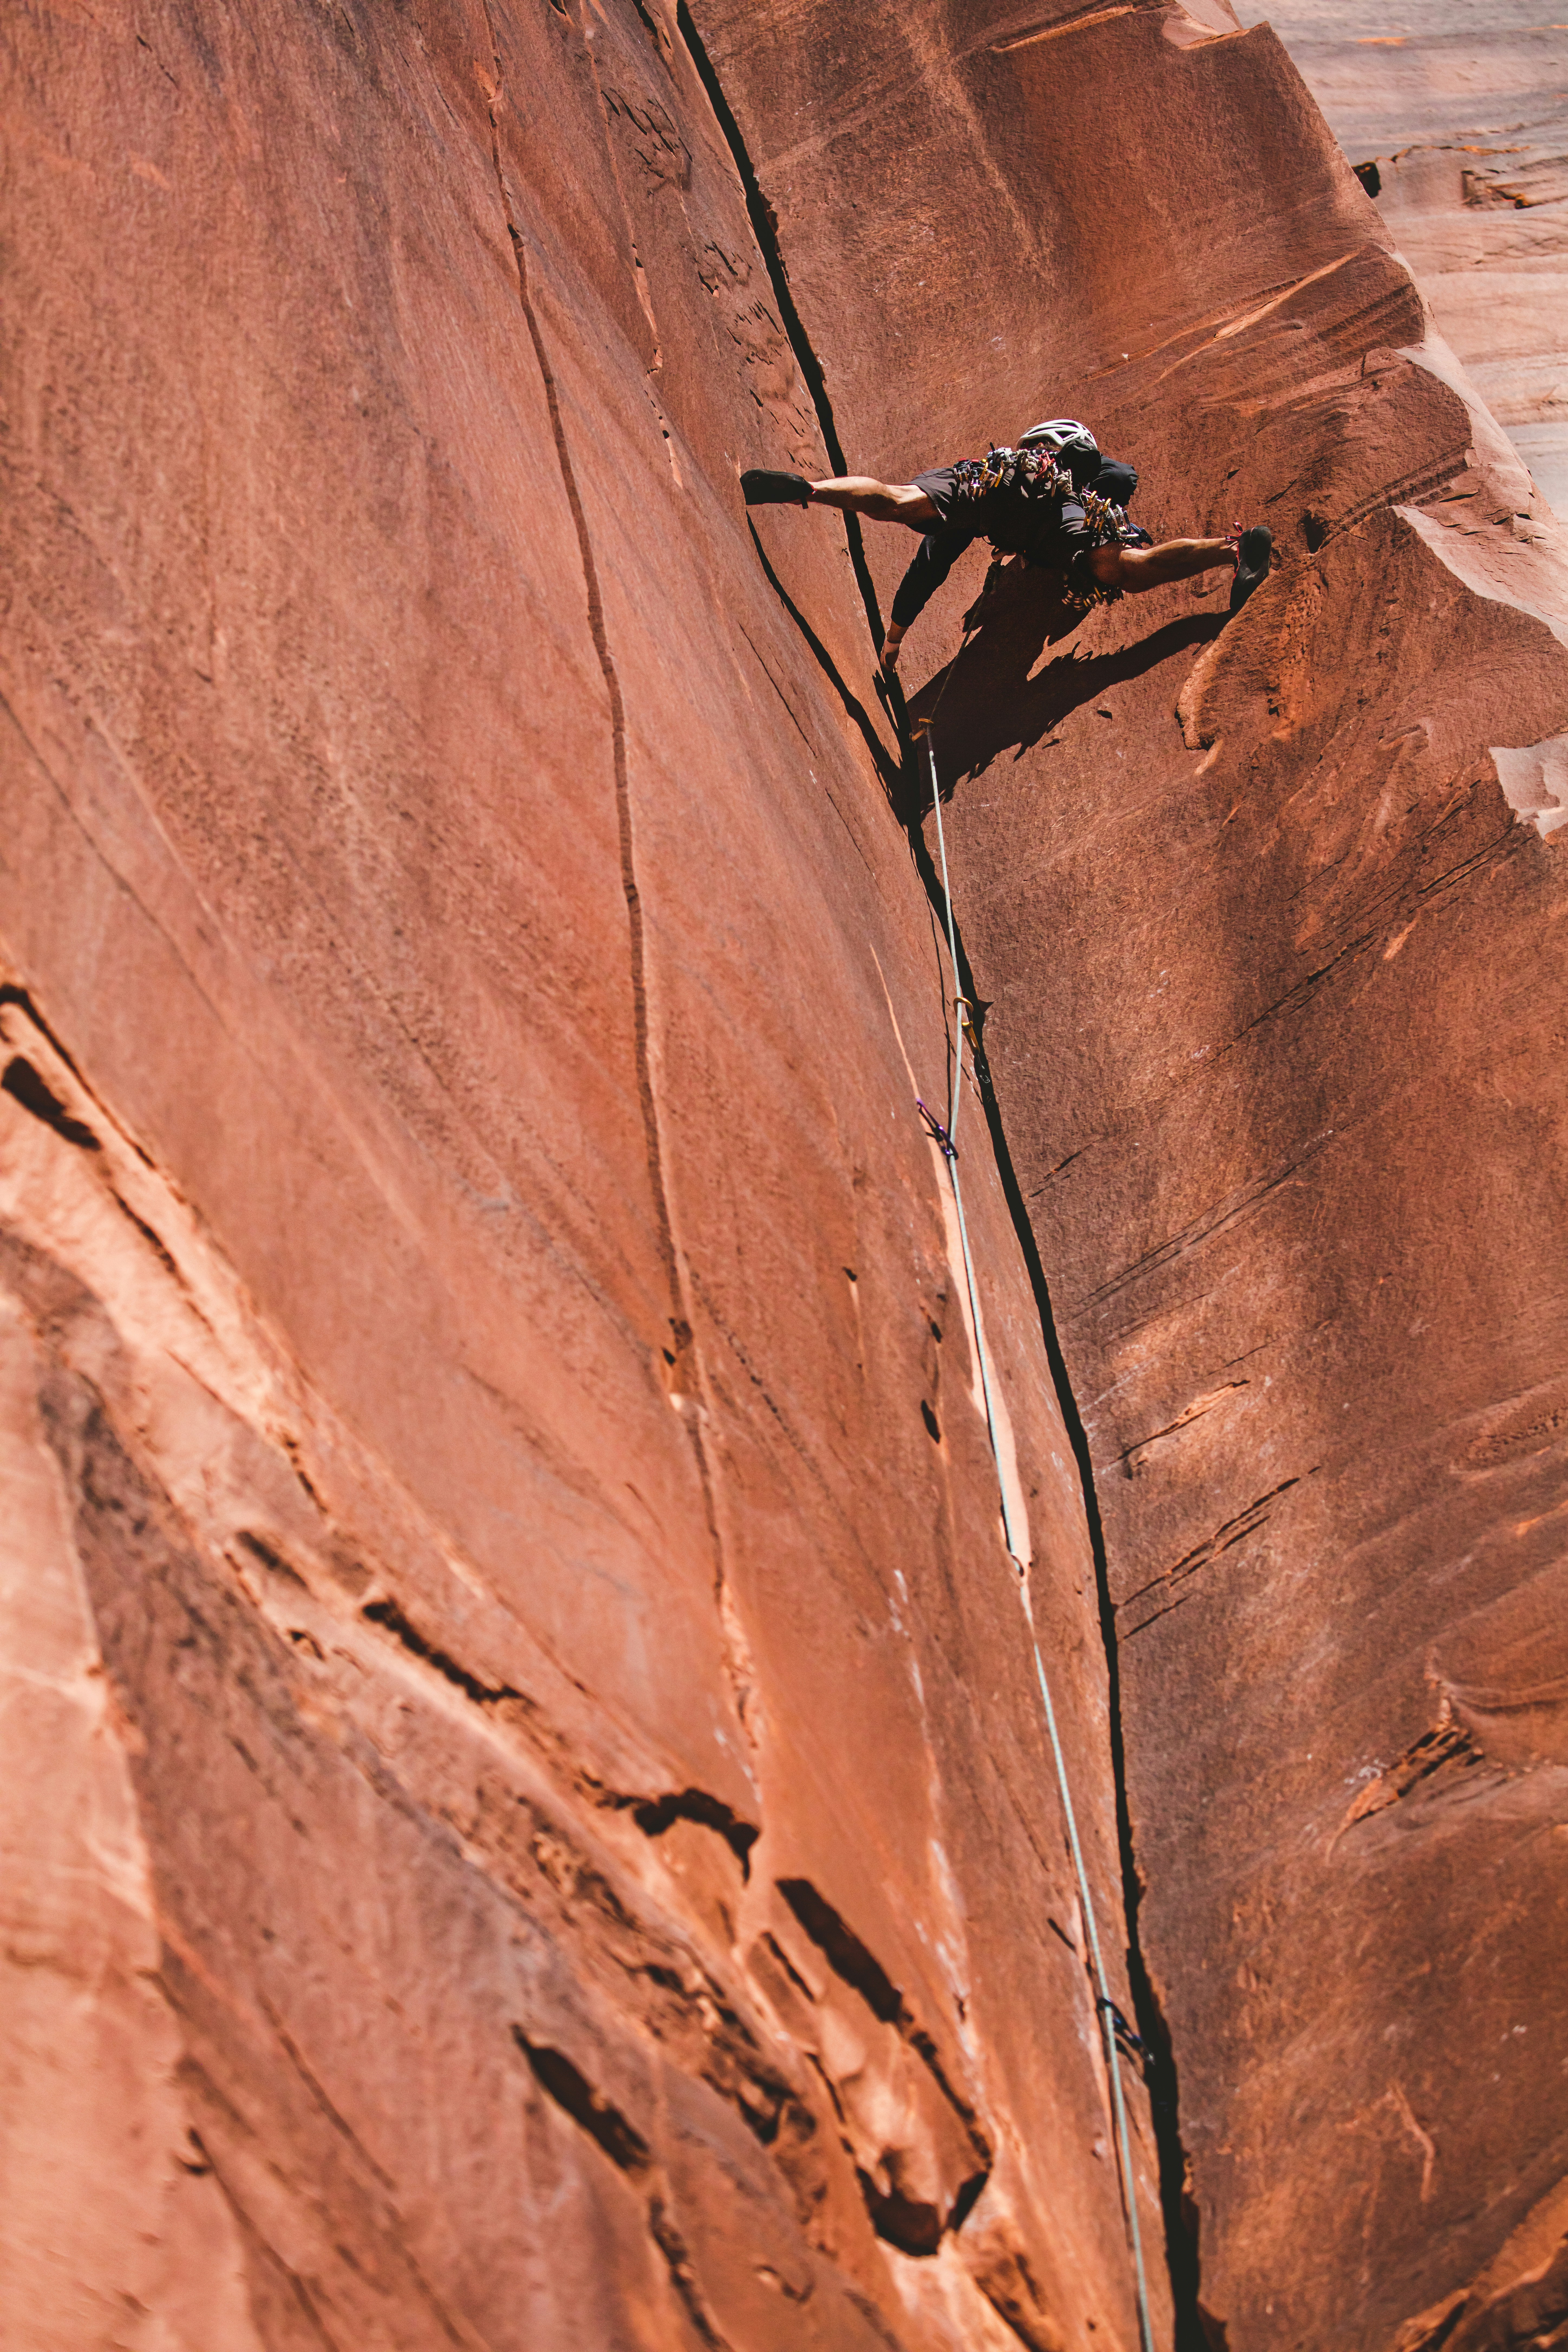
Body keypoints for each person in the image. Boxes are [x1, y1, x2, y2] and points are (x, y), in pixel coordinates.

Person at [742, 420, 1271, 671]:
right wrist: (894, 639)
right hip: (1050, 504)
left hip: (1007, 485)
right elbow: (1117, 483)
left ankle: (807, 490)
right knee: (1119, 567)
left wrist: (895, 637)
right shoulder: (1090, 475)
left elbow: (931, 564)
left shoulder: (1045, 463)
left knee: (900, 501)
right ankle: (1235, 550)